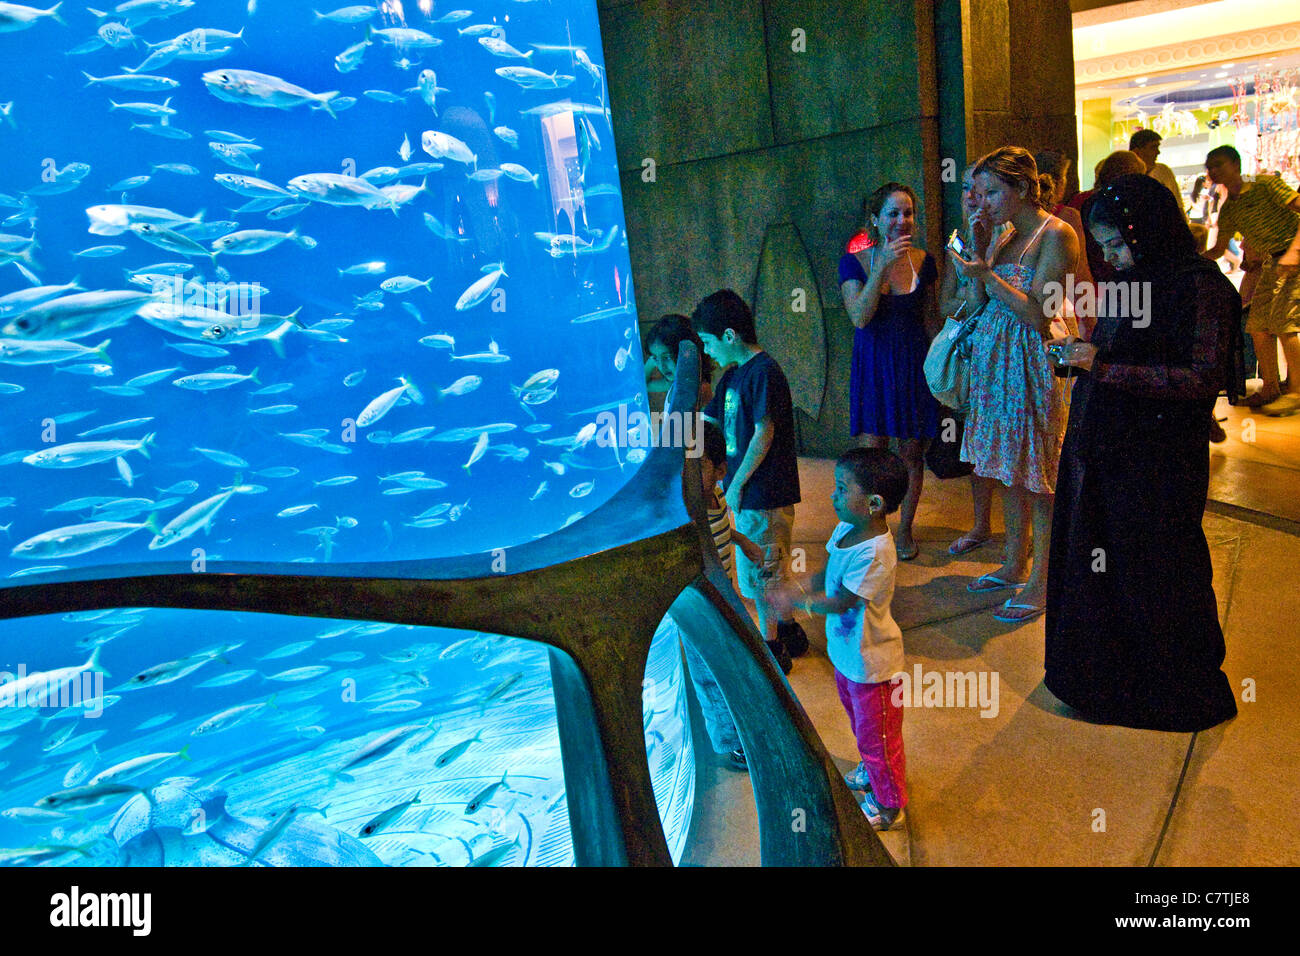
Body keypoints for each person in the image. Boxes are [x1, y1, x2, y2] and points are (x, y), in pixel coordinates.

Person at [1043, 173, 1239, 732]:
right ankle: (1105, 682)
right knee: (1105, 563)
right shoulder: (1135, 280)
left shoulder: (1201, 287)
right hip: (1107, 449)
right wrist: (1081, 353)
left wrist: (1098, 365)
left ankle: (1172, 688)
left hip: (1159, 460)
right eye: (1102, 247)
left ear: (1146, 230)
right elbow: (1115, 347)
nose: (1110, 258)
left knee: (1159, 568)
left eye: (1115, 244)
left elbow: (1201, 378)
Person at [948, 146, 1078, 623]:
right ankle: (1012, 561)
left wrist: (987, 275)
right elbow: (975, 301)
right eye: (977, 193)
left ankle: (1042, 579)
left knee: (1038, 473)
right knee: (1006, 466)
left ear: (1021, 189)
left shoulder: (1056, 235)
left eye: (991, 192)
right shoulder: (1002, 236)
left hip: (1030, 363)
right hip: (994, 363)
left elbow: (1040, 316)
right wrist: (979, 254)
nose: (982, 202)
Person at [770, 447, 910, 831]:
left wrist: (797, 601)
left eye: (842, 488)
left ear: (874, 504)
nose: (832, 495)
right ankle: (872, 768)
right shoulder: (846, 529)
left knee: (879, 739)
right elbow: (826, 571)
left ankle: (888, 804)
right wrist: (798, 585)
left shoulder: (877, 553)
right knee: (862, 729)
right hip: (849, 658)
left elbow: (845, 602)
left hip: (875, 669)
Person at [695, 289, 805, 672]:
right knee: (769, 568)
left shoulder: (764, 372)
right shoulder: (733, 377)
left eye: (708, 342)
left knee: (763, 574)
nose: (708, 353)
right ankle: (790, 630)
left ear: (728, 336)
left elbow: (764, 432)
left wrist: (737, 484)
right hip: (750, 496)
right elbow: (707, 422)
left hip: (765, 494)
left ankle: (772, 648)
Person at [838, 181, 941, 560]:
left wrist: (942, 373)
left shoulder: (924, 261)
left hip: (913, 366)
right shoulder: (854, 262)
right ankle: (872, 529)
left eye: (908, 213)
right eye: (893, 213)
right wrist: (881, 266)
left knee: (912, 454)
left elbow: (932, 322)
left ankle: (905, 531)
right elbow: (860, 317)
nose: (902, 220)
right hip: (874, 368)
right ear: (876, 220)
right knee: (871, 457)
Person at [677, 421, 766, 771]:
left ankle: (738, 726)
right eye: (681, 467)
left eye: (696, 466)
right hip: (702, 613)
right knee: (709, 676)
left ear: (720, 470)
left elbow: (723, 529)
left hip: (723, 603)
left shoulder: (713, 498)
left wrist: (743, 543)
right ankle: (732, 743)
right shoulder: (686, 511)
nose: (686, 476)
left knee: (728, 669)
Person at [1202, 144, 1300, 416]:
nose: (1212, 171)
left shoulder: (1265, 184)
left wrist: (1294, 251)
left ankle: (1296, 392)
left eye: (1218, 164)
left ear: (1236, 165)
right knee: (1257, 325)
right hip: (1272, 262)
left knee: (1285, 322)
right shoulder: (1229, 208)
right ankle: (1270, 388)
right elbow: (1218, 249)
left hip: (1292, 254)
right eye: (1209, 166)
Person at [937, 163, 998, 556]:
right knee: (977, 446)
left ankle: (1025, 537)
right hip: (973, 355)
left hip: (1009, 351)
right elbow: (946, 301)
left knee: (1014, 446)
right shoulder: (959, 241)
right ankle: (981, 525)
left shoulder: (1013, 236)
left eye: (982, 189)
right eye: (965, 189)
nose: (971, 197)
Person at [1035, 149, 1095, 337]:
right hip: (1061, 307)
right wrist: (1089, 320)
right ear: (1059, 182)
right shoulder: (1067, 218)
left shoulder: (1017, 217)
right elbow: (1080, 274)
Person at [644, 313, 714, 409]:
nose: (661, 366)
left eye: (667, 357)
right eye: (656, 359)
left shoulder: (700, 389)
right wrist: (652, 362)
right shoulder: (674, 384)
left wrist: (655, 359)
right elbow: (643, 386)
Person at [1129, 129, 1186, 219]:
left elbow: (1177, 206)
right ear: (1137, 152)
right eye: (1153, 147)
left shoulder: (1163, 171)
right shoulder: (1126, 177)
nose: (1158, 152)